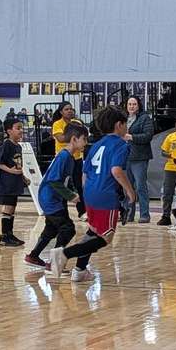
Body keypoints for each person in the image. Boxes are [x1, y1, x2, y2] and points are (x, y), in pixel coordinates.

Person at [48, 106, 135, 282]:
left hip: (90, 193)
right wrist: (130, 192)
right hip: (106, 195)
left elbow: (85, 174)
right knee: (106, 237)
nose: (126, 128)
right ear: (119, 125)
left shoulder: (95, 145)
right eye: (125, 124)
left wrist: (87, 195)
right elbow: (116, 170)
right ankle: (64, 253)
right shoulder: (121, 144)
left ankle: (80, 270)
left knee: (93, 231)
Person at [25, 122, 88, 269]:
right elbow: (53, 180)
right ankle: (54, 262)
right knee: (68, 229)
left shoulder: (70, 157)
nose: (86, 142)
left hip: (55, 199)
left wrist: (72, 192)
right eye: (84, 139)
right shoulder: (64, 156)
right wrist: (70, 196)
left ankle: (33, 256)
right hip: (50, 198)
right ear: (74, 139)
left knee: (52, 228)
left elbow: (65, 179)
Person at [0, 118, 28, 247]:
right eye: (18, 128)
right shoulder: (6, 145)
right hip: (7, 182)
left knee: (13, 209)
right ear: (9, 131)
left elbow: (18, 166)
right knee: (8, 208)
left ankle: (10, 233)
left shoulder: (18, 146)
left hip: (16, 182)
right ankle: (4, 236)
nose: (21, 131)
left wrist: (23, 176)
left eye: (22, 128)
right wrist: (11, 171)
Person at [52, 101, 86, 218]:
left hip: (77, 158)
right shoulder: (57, 124)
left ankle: (82, 212)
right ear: (61, 112)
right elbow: (60, 139)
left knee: (79, 185)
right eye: (66, 109)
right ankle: (62, 212)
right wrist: (74, 136)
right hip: (64, 158)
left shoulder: (76, 123)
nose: (70, 111)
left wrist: (74, 136)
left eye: (71, 109)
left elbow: (82, 137)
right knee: (63, 185)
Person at [122, 95, 154, 224]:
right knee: (127, 187)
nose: (131, 106)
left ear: (139, 105)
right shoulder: (123, 119)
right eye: (129, 104)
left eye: (134, 104)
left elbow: (148, 136)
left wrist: (131, 137)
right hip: (125, 156)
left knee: (140, 186)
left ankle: (145, 214)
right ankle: (128, 214)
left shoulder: (145, 118)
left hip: (139, 157)